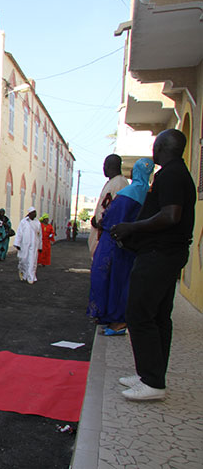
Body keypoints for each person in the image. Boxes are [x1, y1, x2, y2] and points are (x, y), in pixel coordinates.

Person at [111, 129, 195, 401]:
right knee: (158, 317)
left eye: (155, 146)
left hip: (159, 254)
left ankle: (153, 383)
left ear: (161, 148)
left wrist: (131, 227)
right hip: (167, 253)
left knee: (139, 314)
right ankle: (151, 375)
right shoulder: (178, 173)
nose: (153, 150)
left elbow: (170, 215)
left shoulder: (171, 174)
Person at [87, 158, 154, 336]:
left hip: (115, 242)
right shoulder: (148, 193)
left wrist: (101, 222)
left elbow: (112, 215)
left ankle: (117, 319)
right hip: (131, 244)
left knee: (110, 279)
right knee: (119, 281)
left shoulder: (129, 191)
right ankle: (111, 315)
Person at [89, 155, 129, 257]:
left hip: (107, 234)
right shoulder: (112, 182)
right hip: (101, 232)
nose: (103, 169)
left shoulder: (120, 183)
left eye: (105, 165)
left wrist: (101, 222)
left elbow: (116, 210)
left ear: (109, 166)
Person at [13, 206, 42, 284]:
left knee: (32, 261)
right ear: (29, 213)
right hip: (24, 244)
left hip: (34, 245)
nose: (35, 214)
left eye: (35, 212)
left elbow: (40, 235)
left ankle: (31, 277)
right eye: (33, 213)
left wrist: (40, 246)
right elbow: (19, 233)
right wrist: (17, 243)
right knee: (23, 260)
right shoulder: (23, 222)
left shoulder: (37, 222)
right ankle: (23, 273)